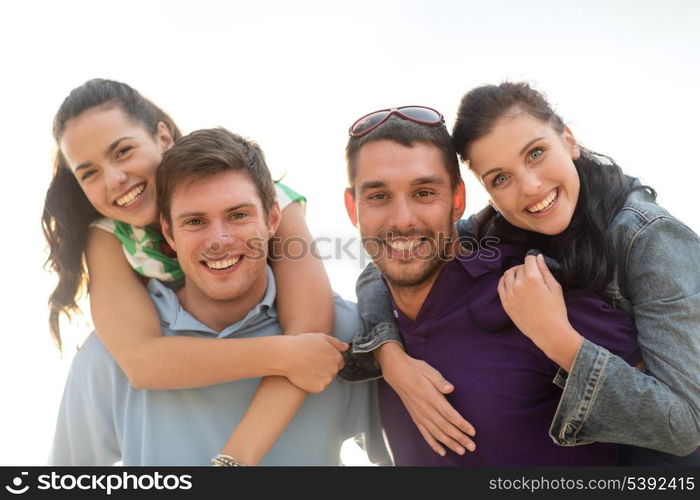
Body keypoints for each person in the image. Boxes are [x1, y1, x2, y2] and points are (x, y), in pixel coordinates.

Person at [353, 84, 700, 465]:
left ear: (568, 139)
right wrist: (390, 356)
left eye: (536, 153)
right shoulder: (500, 226)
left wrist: (555, 337)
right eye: (500, 178)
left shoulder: (648, 238)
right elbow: (393, 262)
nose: (530, 187)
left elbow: (685, 426)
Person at [42, 79, 343, 465]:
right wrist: (280, 353)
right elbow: (143, 362)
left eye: (123, 151)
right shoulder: (108, 237)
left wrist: (234, 459)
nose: (114, 179)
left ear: (162, 136)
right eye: (89, 173)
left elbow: (311, 339)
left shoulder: (255, 196)